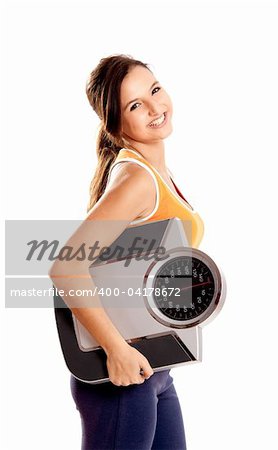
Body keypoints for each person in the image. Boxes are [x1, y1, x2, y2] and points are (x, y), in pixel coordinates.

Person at [49, 54, 204, 450]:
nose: (155, 107)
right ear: (115, 124)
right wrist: (116, 350)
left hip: (154, 369)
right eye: (135, 105)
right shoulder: (136, 179)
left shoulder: (152, 169)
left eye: (154, 90)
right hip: (121, 376)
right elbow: (66, 267)